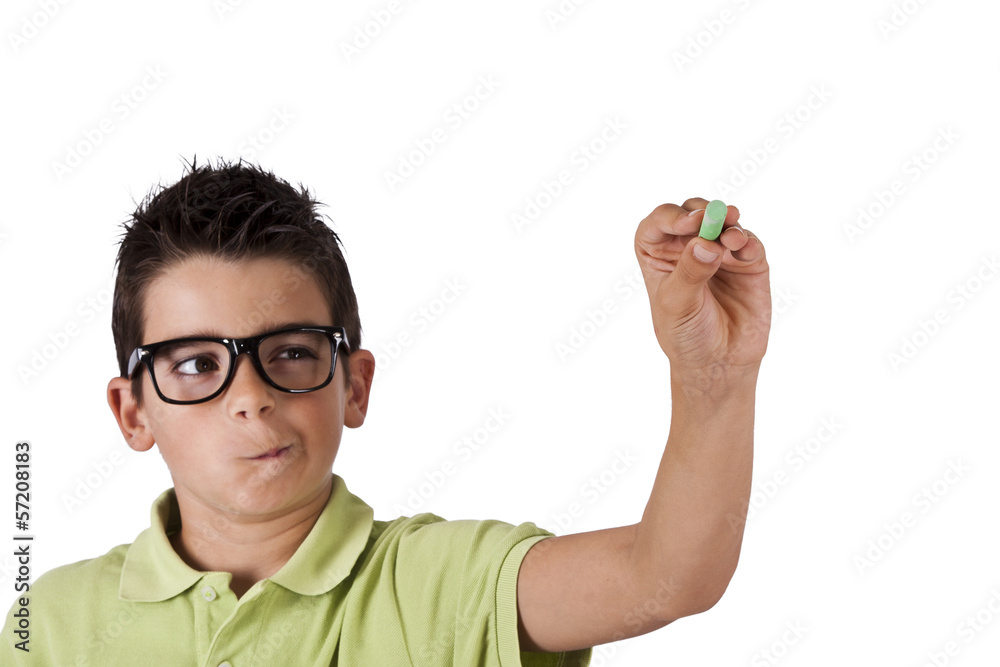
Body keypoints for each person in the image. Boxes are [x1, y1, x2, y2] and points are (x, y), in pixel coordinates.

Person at [1, 157, 770, 665]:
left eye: (290, 351)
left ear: (355, 385)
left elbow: (665, 575)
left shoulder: (439, 583)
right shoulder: (53, 625)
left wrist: (712, 377)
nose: (250, 396)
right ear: (132, 411)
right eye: (198, 363)